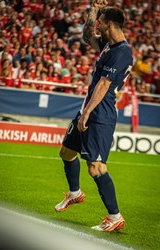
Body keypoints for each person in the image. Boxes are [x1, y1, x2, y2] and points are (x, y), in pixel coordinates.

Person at [55, 0, 133, 232]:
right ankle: (75, 193)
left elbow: (104, 85)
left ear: (109, 25)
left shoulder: (121, 52)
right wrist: (94, 10)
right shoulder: (109, 45)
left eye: (100, 22)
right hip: (88, 109)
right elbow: (87, 35)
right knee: (67, 152)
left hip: (99, 114)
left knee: (96, 167)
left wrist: (86, 113)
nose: (96, 25)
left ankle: (115, 216)